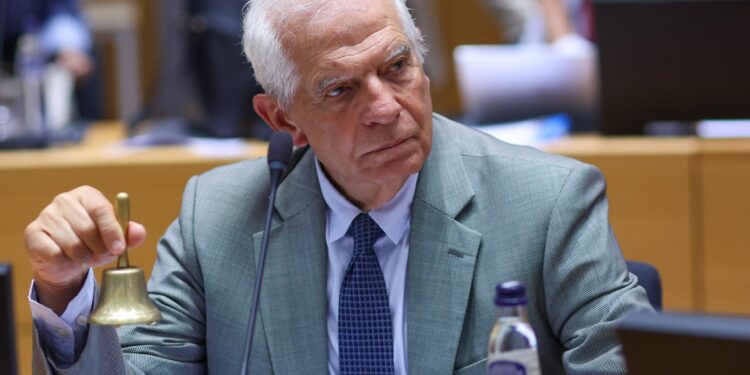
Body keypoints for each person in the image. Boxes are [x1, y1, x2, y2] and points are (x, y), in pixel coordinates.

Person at [24, 0, 653, 373]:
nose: (385, 107)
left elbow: (629, 362)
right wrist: (65, 292)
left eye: (397, 67)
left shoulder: (548, 203)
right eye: (340, 88)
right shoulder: (214, 221)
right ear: (282, 118)